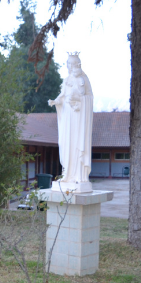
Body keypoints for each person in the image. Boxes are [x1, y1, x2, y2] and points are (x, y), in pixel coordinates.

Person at [48, 53, 94, 189]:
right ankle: (67, 173)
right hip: (67, 117)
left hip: (78, 118)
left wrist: (79, 100)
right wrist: (56, 101)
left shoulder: (83, 79)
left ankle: (79, 175)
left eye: (71, 64)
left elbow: (88, 98)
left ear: (76, 65)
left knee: (76, 144)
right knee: (65, 143)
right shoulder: (66, 79)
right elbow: (63, 96)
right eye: (68, 64)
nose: (69, 66)